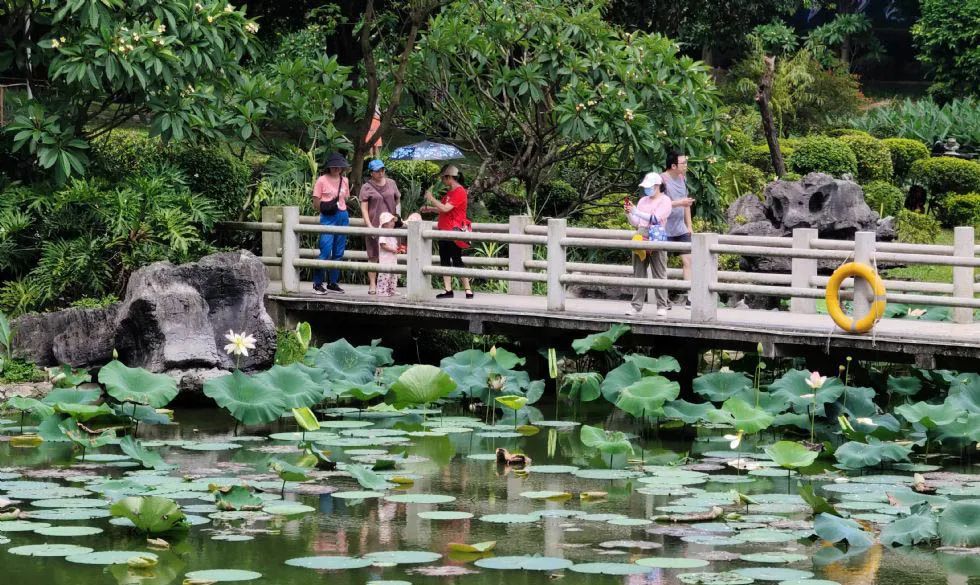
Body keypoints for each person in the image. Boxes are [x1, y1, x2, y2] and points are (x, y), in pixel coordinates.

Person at [625, 173, 673, 317]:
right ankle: (636, 305)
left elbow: (656, 218)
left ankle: (662, 305)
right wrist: (629, 213)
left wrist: (636, 211)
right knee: (638, 271)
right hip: (641, 234)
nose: (647, 190)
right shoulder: (642, 201)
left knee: (659, 272)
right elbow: (635, 222)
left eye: (649, 187)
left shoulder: (666, 200)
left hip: (657, 236)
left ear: (657, 186)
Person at [422, 164, 472, 299]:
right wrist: (430, 209)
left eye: (443, 178)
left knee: (456, 260)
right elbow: (442, 208)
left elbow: (445, 209)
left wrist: (431, 198)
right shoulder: (449, 193)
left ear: (449, 177)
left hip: (454, 231)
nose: (442, 181)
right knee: (444, 259)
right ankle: (448, 290)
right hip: (443, 230)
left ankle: (468, 289)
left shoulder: (460, 191)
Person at [311, 152, 353, 295]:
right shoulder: (322, 180)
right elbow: (316, 202)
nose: (336, 169)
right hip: (328, 216)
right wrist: (327, 207)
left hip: (342, 214)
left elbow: (345, 198)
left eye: (339, 166)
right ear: (329, 167)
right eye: (334, 166)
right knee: (325, 250)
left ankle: (333, 282)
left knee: (339, 251)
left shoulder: (345, 180)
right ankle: (317, 283)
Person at [359, 159, 401, 294]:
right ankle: (373, 284)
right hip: (375, 224)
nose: (380, 172)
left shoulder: (392, 183)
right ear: (371, 172)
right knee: (373, 255)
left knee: (391, 254)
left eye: (382, 169)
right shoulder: (366, 187)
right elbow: (364, 209)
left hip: (390, 226)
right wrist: (369, 225)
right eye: (377, 170)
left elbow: (397, 200)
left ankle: (390, 287)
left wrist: (397, 218)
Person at [661, 150, 696, 307]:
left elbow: (686, 203)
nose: (686, 166)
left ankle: (690, 297)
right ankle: (663, 298)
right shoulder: (662, 180)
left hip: (680, 228)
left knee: (688, 260)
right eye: (683, 163)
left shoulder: (682, 178)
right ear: (673, 165)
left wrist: (689, 226)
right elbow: (659, 203)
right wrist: (679, 203)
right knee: (662, 263)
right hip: (663, 228)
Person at [376, 211, 400, 297]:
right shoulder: (383, 232)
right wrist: (392, 250)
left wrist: (397, 249)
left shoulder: (392, 232)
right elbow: (382, 245)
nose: (393, 223)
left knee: (393, 275)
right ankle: (382, 291)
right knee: (384, 275)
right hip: (385, 259)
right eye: (391, 221)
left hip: (392, 258)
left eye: (393, 221)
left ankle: (391, 290)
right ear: (385, 223)